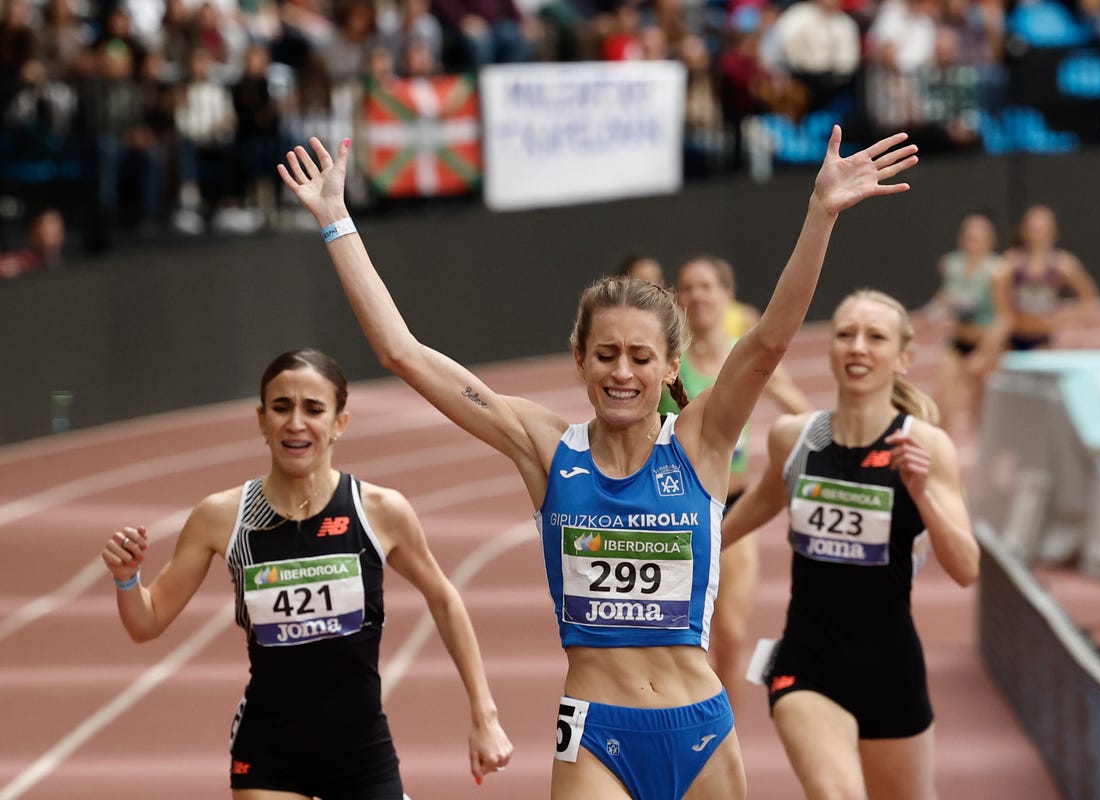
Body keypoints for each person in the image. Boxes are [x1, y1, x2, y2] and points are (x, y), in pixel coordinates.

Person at [277, 126, 917, 800]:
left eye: (641, 358)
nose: (622, 372)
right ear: (579, 359)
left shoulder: (698, 442)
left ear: (671, 366)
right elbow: (401, 352)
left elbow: (767, 342)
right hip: (596, 733)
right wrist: (336, 221)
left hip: (699, 727)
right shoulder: (546, 448)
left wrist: (819, 215)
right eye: (606, 354)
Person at [100, 348, 512, 799]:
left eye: (314, 409)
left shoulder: (378, 511)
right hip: (270, 753)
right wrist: (126, 578)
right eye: (281, 407)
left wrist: (484, 716)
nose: (296, 422)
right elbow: (147, 620)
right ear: (261, 420)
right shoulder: (223, 517)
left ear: (339, 423)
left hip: (361, 751)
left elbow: (444, 598)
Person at [722, 289, 980, 800]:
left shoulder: (926, 446)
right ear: (831, 349)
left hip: (891, 669)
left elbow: (966, 567)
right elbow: (752, 509)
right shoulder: (795, 438)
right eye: (845, 334)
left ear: (903, 358)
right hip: (806, 664)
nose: (858, 347)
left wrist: (922, 494)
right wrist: (684, 545)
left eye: (875, 337)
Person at [658, 253, 811, 718]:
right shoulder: (667, 360)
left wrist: (827, 444)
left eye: (707, 287)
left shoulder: (744, 358)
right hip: (673, 510)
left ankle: (725, 738)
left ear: (727, 296)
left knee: (729, 635)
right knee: (672, 638)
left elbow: (796, 406)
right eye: (687, 287)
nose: (697, 296)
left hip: (732, 508)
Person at [926, 212, 1003, 436]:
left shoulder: (998, 271)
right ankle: (944, 451)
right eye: (968, 236)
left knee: (980, 409)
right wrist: (932, 312)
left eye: (978, 238)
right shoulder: (951, 264)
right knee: (942, 401)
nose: (972, 242)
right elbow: (946, 294)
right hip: (957, 342)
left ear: (990, 240)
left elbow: (1003, 317)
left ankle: (984, 458)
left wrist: (985, 354)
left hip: (984, 345)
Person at [986, 204, 1099, 354]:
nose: (1037, 234)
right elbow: (995, 288)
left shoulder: (1063, 264)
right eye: (1033, 229)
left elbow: (1088, 295)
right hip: (1015, 337)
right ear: (1023, 230)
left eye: (1042, 229)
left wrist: (1077, 327)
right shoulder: (1012, 262)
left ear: (1053, 232)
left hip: (1046, 339)